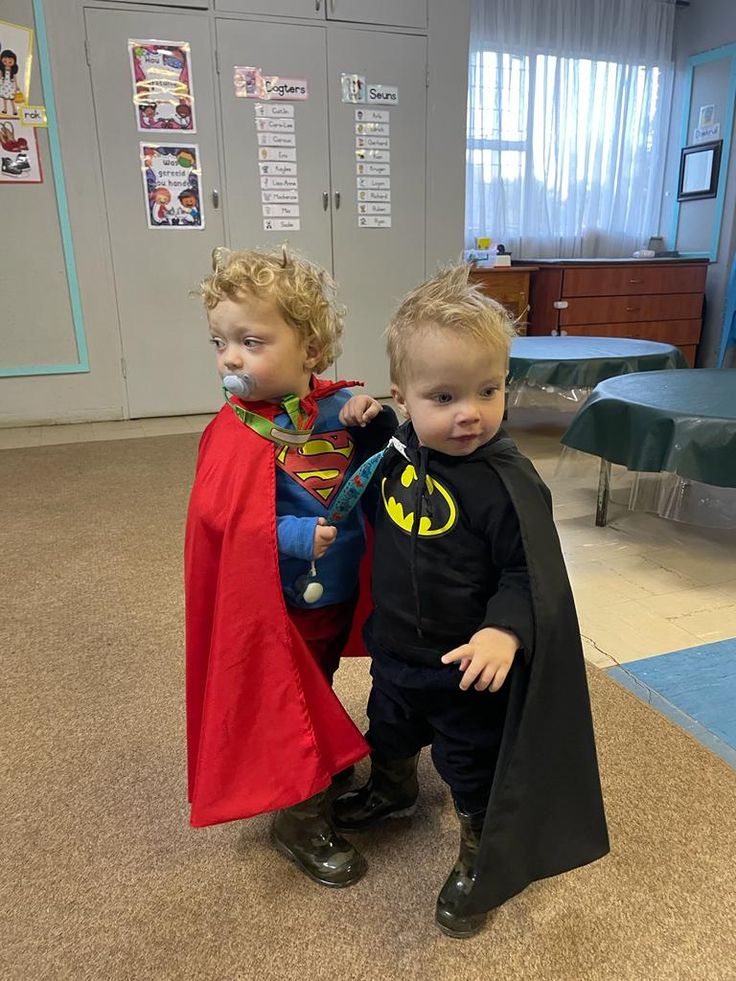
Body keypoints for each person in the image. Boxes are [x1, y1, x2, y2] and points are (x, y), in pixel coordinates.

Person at [332, 265, 609, 937]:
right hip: (397, 645)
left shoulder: (504, 482)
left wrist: (505, 633)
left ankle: (481, 850)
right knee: (389, 725)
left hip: (464, 667)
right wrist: (366, 425)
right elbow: (371, 482)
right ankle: (394, 789)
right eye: (444, 395)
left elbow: (527, 573)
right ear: (405, 395)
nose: (470, 412)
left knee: (469, 764)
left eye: (489, 390)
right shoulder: (399, 446)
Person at [185, 245, 395, 888]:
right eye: (220, 341)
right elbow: (221, 521)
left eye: (250, 340)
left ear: (310, 350)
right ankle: (297, 820)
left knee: (320, 682)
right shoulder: (234, 431)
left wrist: (375, 418)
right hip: (276, 604)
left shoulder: (335, 408)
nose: (230, 358)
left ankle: (319, 764)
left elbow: (383, 458)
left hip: (333, 596)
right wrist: (295, 533)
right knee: (289, 698)